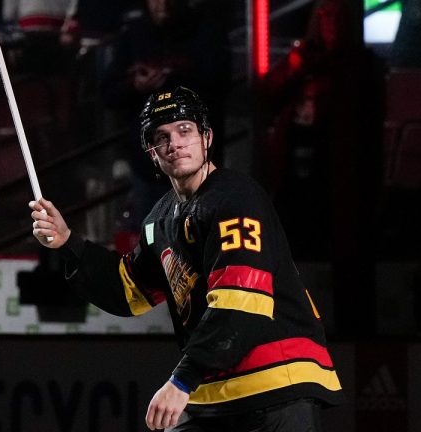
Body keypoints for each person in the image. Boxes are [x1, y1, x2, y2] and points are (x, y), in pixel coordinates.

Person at [29, 86, 344, 431]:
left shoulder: (235, 197)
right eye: (161, 137)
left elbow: (240, 303)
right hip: (215, 388)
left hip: (276, 382)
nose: (174, 143)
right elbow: (126, 291)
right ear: (151, 153)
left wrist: (181, 381)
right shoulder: (159, 219)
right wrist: (68, 242)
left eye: (184, 130)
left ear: (206, 137)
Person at [99, 0, 231, 231]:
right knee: (153, 244)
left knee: (198, 240)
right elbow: (109, 93)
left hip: (196, 165)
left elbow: (220, 81)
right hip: (149, 166)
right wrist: (136, 85)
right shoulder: (133, 35)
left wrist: (177, 74)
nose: (163, 4)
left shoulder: (204, 32)